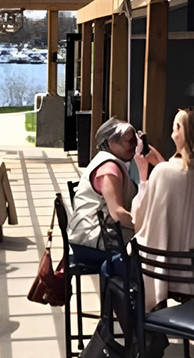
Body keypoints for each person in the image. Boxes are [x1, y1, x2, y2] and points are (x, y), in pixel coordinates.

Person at [132, 108, 194, 310]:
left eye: (176, 128)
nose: (172, 134)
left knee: (113, 268)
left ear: (185, 134)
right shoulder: (165, 169)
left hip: (164, 272)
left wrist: (144, 176)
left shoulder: (163, 172)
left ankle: (149, 336)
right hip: (190, 273)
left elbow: (141, 219)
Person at [68, 117, 138, 260]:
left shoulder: (107, 162)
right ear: (112, 143)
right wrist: (146, 228)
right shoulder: (109, 170)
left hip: (88, 235)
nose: (135, 145)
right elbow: (117, 213)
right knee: (144, 252)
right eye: (130, 141)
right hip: (93, 240)